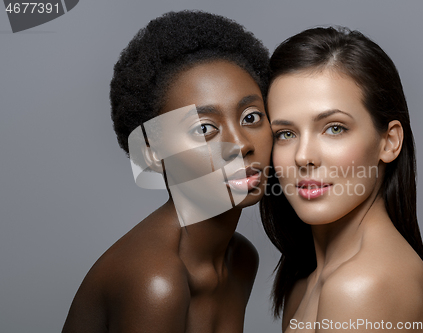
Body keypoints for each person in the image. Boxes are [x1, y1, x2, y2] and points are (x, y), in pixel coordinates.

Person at [62, 11, 272, 332]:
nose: (241, 144)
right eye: (204, 128)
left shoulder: (241, 260)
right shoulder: (156, 282)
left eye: (251, 117)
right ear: (153, 153)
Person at [260, 27, 423, 332]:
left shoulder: (361, 286)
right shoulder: (305, 285)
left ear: (389, 142)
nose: (303, 156)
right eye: (286, 134)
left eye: (334, 128)